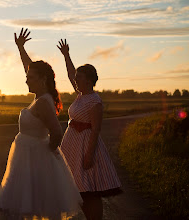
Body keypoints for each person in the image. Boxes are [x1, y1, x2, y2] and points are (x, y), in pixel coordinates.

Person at [0, 28, 82, 220]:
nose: (26, 79)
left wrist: (45, 152)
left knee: (38, 204)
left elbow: (57, 132)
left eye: (30, 78)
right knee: (29, 204)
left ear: (42, 80)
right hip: (26, 157)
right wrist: (21, 48)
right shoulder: (39, 97)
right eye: (27, 76)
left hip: (35, 158)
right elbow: (29, 67)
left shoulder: (43, 101)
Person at [57, 39, 122, 220]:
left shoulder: (94, 101)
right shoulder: (81, 96)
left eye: (79, 77)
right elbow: (71, 74)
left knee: (89, 190)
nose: (75, 79)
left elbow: (95, 130)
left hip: (86, 148)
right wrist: (66, 55)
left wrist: (89, 155)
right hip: (72, 145)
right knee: (79, 188)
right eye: (76, 77)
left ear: (89, 80)